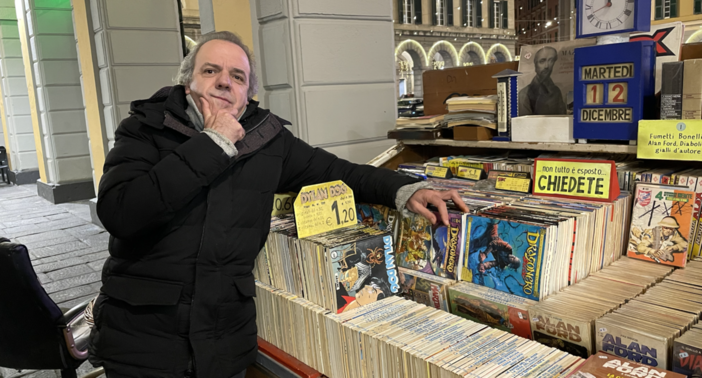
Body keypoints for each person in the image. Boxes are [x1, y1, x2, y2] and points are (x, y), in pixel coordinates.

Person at [88, 31, 468, 378]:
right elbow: (122, 213)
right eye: (210, 70)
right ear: (188, 83)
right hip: (144, 339)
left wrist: (405, 190)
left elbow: (341, 172)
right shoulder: (146, 128)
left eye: (237, 76)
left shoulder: (266, 139)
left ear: (247, 94)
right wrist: (213, 143)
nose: (224, 81)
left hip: (224, 341)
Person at [517, 46, 566, 115]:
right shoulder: (525, 94)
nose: (547, 66)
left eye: (551, 60)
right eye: (542, 61)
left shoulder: (556, 91)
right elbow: (525, 124)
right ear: (535, 65)